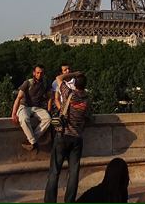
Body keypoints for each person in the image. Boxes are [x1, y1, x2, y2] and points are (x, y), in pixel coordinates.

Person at [44, 70, 91, 203]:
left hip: (63, 135)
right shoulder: (87, 100)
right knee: (74, 173)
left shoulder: (69, 93)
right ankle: (69, 201)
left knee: (54, 171)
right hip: (77, 138)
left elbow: (59, 77)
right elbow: (88, 118)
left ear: (75, 84)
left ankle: (50, 201)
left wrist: (74, 73)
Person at [11, 64, 52, 152]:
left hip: (37, 107)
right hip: (24, 106)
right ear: (34, 73)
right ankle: (33, 142)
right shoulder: (28, 82)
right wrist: (14, 113)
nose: (39, 75)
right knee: (24, 119)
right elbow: (18, 98)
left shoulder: (45, 83)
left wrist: (49, 110)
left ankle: (31, 140)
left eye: (41, 73)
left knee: (48, 119)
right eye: (37, 73)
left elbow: (50, 98)